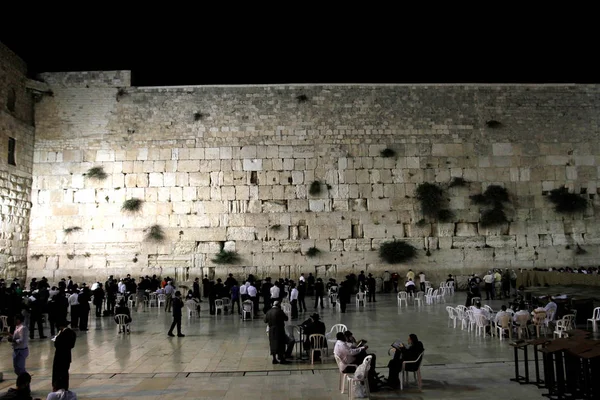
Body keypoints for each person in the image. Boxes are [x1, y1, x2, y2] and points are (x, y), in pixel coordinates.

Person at [52, 319, 76, 391]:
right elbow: (72, 345)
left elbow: (57, 344)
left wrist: (57, 339)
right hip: (67, 356)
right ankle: (65, 387)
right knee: (65, 373)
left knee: (58, 373)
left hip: (60, 356)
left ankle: (58, 387)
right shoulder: (72, 333)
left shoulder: (62, 334)